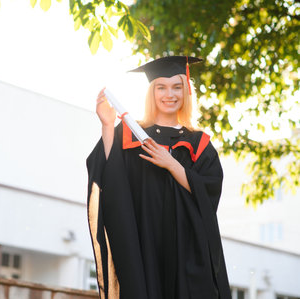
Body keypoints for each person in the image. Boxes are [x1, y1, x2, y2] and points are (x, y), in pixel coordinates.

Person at [86, 56, 231, 299]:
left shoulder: (199, 143)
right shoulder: (132, 134)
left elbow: (209, 192)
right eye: (161, 87)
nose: (169, 94)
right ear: (151, 93)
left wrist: (173, 165)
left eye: (177, 87)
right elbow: (112, 176)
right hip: (145, 243)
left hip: (187, 248)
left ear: (186, 92)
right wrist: (108, 126)